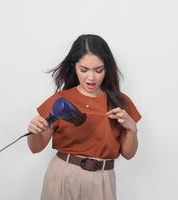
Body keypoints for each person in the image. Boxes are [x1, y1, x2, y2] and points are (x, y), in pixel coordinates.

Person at [27, 34, 141, 200]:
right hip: (63, 176)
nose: (91, 78)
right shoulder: (61, 100)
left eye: (98, 70)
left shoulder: (120, 102)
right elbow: (35, 148)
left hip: (102, 180)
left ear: (107, 69)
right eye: (84, 70)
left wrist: (132, 129)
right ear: (74, 67)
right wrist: (34, 131)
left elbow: (128, 154)